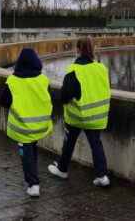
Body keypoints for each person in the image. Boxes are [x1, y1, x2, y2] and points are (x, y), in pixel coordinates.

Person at [47, 37, 111, 187]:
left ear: (77, 50)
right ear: (92, 51)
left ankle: (62, 169)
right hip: (97, 116)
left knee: (69, 142)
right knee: (96, 144)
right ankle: (102, 176)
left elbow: (65, 95)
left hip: (77, 116)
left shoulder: (74, 70)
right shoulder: (101, 68)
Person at [0, 48, 53, 197]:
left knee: (26, 153)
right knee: (32, 149)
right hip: (39, 125)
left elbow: (3, 101)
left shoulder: (13, 80)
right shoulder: (43, 80)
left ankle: (33, 184)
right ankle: (33, 174)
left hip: (22, 127)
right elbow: (50, 99)